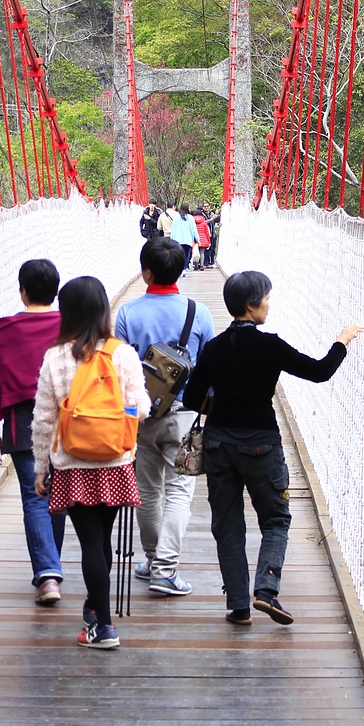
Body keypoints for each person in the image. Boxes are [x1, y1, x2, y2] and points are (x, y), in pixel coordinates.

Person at [182, 270, 363, 627]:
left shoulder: (214, 348)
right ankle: (265, 589)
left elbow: (190, 399)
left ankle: (238, 605)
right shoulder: (270, 346)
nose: (268, 304)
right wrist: (342, 341)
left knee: (227, 525)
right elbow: (320, 371)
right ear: (252, 305)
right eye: (266, 298)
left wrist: (222, 400)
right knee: (276, 519)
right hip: (261, 447)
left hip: (218, 446)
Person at [32, 277, 147, 649]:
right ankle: (96, 610)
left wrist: (40, 468)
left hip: (72, 464)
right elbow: (141, 407)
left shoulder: (55, 358)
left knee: (90, 544)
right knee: (102, 541)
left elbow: (43, 420)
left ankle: (105, 627)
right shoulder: (122, 354)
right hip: (116, 461)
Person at [115, 236, 214, 596]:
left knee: (147, 491)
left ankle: (153, 559)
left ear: (146, 273)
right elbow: (210, 367)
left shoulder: (127, 313)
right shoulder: (198, 312)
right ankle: (165, 569)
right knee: (179, 492)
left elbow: (120, 370)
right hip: (185, 415)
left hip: (141, 416)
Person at [0, 258, 65, 605]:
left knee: (35, 495)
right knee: (58, 494)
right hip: (66, 422)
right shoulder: (70, 326)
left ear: (23, 291)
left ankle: (48, 574)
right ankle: (50, 567)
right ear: (55, 291)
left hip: (24, 423)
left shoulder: (6, 330)